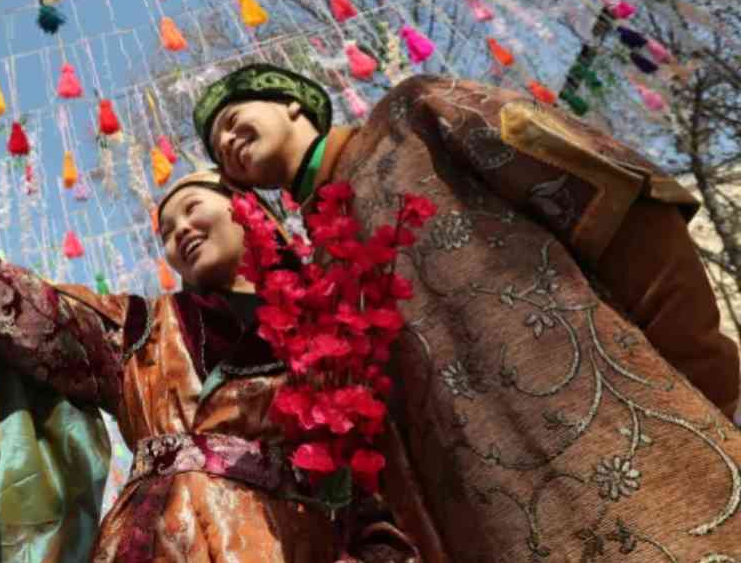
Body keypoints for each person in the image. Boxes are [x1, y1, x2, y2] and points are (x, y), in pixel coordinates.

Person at [0, 67, 419, 563]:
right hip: (154, 541)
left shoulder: (338, 328)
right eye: (165, 232)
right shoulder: (135, 329)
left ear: (251, 211)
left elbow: (375, 492)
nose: (179, 232)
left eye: (192, 208)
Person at [195, 62, 741, 560]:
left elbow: (615, 200)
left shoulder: (417, 117)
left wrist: (707, 385)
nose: (226, 140)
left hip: (653, 477)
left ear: (292, 101)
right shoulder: (318, 281)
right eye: (216, 147)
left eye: (233, 117)